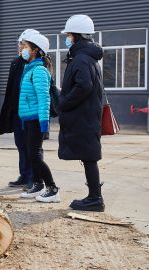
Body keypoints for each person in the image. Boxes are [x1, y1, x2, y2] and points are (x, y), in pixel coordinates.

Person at [59, 14, 104, 211]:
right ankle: (94, 196)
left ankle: (95, 198)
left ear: (76, 36)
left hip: (84, 116)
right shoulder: (87, 58)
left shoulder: (82, 59)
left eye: (69, 35)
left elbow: (83, 86)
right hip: (88, 115)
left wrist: (64, 103)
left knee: (89, 156)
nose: (67, 38)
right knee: (89, 156)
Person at [18, 33, 60, 203]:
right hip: (28, 119)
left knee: (34, 155)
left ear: (35, 51)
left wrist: (44, 123)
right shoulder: (29, 69)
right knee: (30, 153)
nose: (22, 48)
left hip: (36, 119)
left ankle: (53, 188)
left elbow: (44, 98)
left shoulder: (40, 71)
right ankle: (38, 184)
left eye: (25, 46)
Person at [0, 29, 39, 189]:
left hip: (31, 113)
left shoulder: (39, 64)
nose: (20, 47)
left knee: (32, 146)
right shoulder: (16, 62)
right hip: (17, 112)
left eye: (24, 44)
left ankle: (34, 178)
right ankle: (24, 174)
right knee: (21, 144)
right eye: (20, 44)